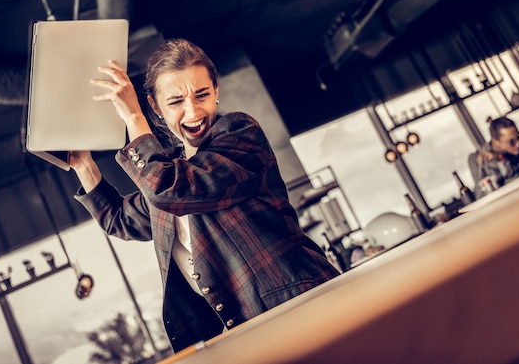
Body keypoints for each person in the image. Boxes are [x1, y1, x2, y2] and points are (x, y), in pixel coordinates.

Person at [69, 38, 339, 353]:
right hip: (241, 334)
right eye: (175, 102)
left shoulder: (239, 136)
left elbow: (171, 188)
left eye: (202, 95)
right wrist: (83, 165)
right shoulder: (168, 169)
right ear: (155, 105)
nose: (193, 111)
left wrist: (133, 119)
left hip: (301, 309)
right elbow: (120, 220)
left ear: (216, 91)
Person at [468, 116, 519, 197]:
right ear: (495, 142)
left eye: (518, 138)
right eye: (511, 141)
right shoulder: (475, 159)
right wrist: (497, 160)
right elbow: (480, 195)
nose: (518, 144)